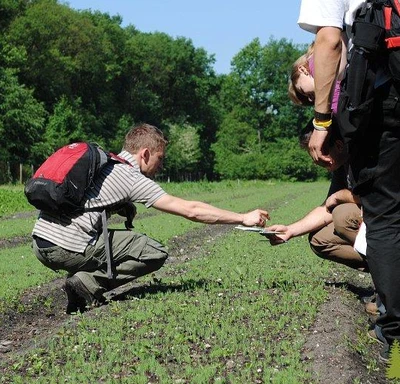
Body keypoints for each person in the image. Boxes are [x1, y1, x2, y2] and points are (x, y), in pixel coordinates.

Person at [31, 124, 270, 314]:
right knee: (153, 252)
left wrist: (122, 206)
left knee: (119, 243)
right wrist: (242, 217)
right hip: (67, 247)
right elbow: (191, 210)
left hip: (40, 242)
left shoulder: (107, 164)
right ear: (145, 154)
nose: (161, 166)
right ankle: (88, 283)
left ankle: (82, 285)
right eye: (160, 158)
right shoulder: (130, 176)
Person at [298, 0, 400, 362]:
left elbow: (329, 40)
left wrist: (322, 120)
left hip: (386, 99)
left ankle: (396, 335)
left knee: (385, 215)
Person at [268, 119, 366, 272]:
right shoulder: (341, 167)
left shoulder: (365, 157)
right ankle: (386, 276)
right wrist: (290, 230)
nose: (315, 161)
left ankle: (390, 272)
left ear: (339, 146)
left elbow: (380, 197)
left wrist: (341, 196)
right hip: (372, 219)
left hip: (388, 218)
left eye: (318, 154)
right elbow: (327, 208)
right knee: (320, 239)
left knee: (342, 215)